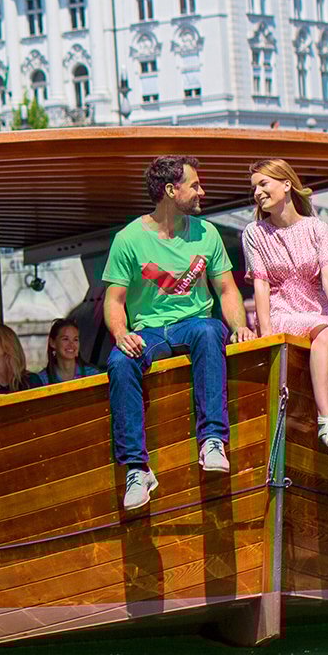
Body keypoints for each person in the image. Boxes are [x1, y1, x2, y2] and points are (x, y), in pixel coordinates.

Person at [103, 155, 251, 510]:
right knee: (119, 361)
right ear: (171, 190)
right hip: (149, 331)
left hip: (192, 325)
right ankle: (137, 470)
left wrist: (241, 327)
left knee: (209, 330)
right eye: (195, 185)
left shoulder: (207, 233)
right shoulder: (128, 239)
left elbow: (227, 290)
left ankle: (213, 440)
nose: (202, 191)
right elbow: (114, 299)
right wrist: (121, 333)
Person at [243, 159, 328, 466]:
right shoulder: (253, 233)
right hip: (280, 308)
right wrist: (266, 329)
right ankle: (326, 420)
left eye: (263, 184)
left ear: (286, 185)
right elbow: (260, 284)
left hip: (316, 307)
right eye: (254, 187)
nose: (257, 192)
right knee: (325, 330)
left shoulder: (318, 228)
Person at [38, 319, 103, 385]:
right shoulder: (42, 380)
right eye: (65, 339)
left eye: (75, 339)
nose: (71, 344)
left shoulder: (93, 375)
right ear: (52, 342)